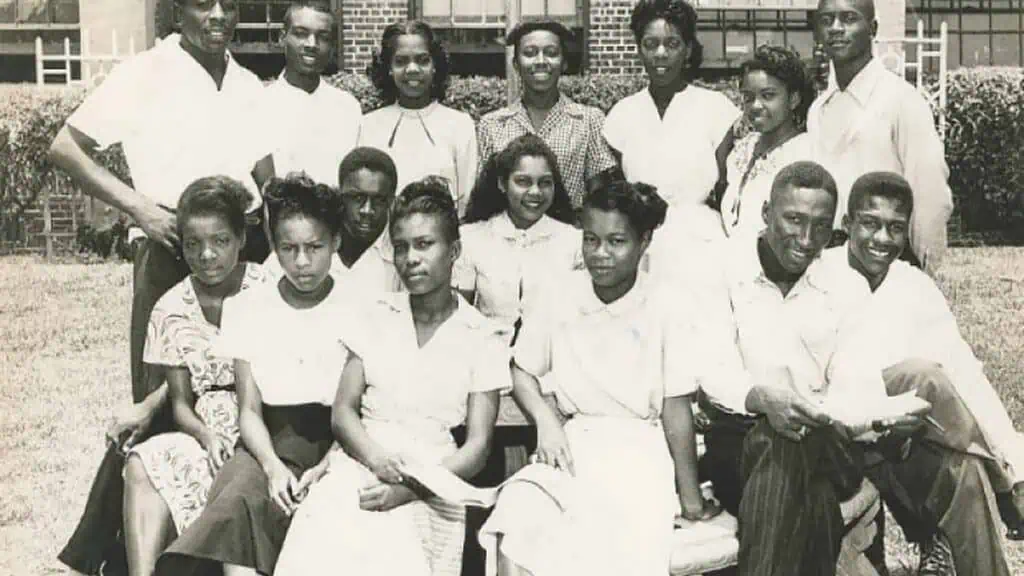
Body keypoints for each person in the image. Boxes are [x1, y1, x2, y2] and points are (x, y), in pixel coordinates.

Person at [697, 161, 1009, 576]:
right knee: (797, 469)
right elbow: (712, 368)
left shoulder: (863, 286)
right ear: (766, 212)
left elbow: (870, 382)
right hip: (760, 435)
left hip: (847, 433)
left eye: (895, 228)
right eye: (794, 220)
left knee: (955, 457)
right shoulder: (745, 270)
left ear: (832, 227)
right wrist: (765, 399)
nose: (806, 239)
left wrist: (874, 423)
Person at [51, 4, 274, 571]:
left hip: (242, 246)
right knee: (162, 405)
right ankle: (133, 555)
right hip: (173, 243)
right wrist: (141, 209)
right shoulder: (145, 71)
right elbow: (65, 149)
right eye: (203, 2)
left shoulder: (246, 81)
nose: (218, 14)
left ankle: (222, 548)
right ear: (178, 9)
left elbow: (266, 174)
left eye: (229, 3)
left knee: (242, 395)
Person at [479, 180, 718, 576]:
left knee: (608, 548)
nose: (600, 254)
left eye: (616, 241)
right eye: (591, 240)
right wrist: (547, 424)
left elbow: (676, 409)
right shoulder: (559, 292)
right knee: (518, 513)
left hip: (638, 453)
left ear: (644, 242)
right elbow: (522, 370)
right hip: (572, 445)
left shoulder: (668, 303)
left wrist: (689, 498)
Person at [274, 178, 508, 576]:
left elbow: (479, 445)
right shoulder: (376, 314)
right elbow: (344, 412)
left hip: (434, 477)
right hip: (360, 458)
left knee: (393, 545)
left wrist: (410, 488)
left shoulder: (482, 336)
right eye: (401, 246)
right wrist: (376, 460)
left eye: (424, 244)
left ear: (453, 251)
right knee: (323, 535)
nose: (411, 258)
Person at [154, 175, 346, 576]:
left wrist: (328, 465)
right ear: (274, 249)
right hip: (266, 442)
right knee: (238, 501)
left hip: (336, 444)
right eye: (289, 249)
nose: (303, 262)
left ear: (336, 244)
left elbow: (359, 410)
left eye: (315, 248)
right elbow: (250, 410)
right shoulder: (249, 308)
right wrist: (272, 466)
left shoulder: (358, 307)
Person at [820, 171, 1024, 551]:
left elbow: (966, 374)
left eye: (895, 228)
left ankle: (994, 489)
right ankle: (1005, 486)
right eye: (870, 224)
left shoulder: (913, 286)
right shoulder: (820, 275)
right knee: (922, 376)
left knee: (966, 472)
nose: (882, 239)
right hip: (835, 434)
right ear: (847, 224)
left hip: (899, 440)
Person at [122, 176, 270, 576]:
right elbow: (182, 402)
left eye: (220, 241)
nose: (207, 255)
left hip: (265, 420)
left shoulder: (268, 285)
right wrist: (205, 436)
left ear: (241, 238)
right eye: (193, 244)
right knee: (143, 461)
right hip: (205, 429)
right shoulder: (171, 307)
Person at [602, 0, 741, 287]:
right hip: (641, 245)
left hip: (703, 246)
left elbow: (727, 192)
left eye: (672, 43)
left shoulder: (716, 109)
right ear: (639, 48)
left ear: (688, 49)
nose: (660, 54)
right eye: (650, 43)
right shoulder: (622, 115)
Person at [808, 0, 952, 272]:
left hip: (887, 259)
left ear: (872, 28)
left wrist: (924, 270)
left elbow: (930, 193)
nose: (836, 28)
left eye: (849, 18)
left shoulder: (902, 100)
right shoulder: (819, 109)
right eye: (827, 20)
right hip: (830, 262)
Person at [477, 21, 617, 209]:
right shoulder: (492, 124)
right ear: (516, 64)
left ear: (564, 62)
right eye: (530, 53)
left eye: (551, 53)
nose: (541, 61)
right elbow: (485, 197)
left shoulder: (589, 120)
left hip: (569, 233)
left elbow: (599, 197)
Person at [457, 134, 580, 342]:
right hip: (487, 359)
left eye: (545, 183)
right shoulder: (470, 239)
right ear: (502, 184)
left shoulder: (574, 242)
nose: (535, 192)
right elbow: (459, 316)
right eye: (523, 182)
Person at [358, 21, 478, 215]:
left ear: (435, 66)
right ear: (389, 67)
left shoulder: (460, 125)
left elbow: (466, 202)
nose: (412, 69)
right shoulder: (368, 126)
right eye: (401, 61)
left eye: (422, 60)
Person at [262, 0, 363, 186]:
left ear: (332, 47)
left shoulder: (347, 108)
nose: (312, 44)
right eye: (301, 34)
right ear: (281, 37)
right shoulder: (259, 106)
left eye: (323, 37)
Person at [264, 147, 399, 284]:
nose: (367, 210)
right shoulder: (305, 239)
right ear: (340, 194)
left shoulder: (402, 255)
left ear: (392, 202)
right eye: (357, 198)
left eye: (379, 200)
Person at [720, 45, 815, 239]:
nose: (755, 106)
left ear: (794, 99)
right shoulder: (743, 149)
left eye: (768, 95)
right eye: (748, 97)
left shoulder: (806, 153)